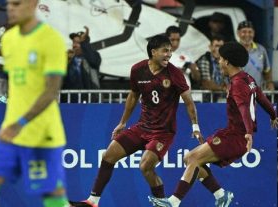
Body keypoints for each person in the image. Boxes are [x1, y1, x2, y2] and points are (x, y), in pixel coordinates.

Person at [69, 35, 203, 207]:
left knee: (145, 166)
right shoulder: (138, 70)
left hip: (163, 132)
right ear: (153, 52)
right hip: (142, 127)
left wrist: (195, 126)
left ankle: (162, 202)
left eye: (170, 51)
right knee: (108, 155)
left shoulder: (175, 74)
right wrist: (122, 123)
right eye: (165, 51)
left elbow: (189, 102)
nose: (169, 55)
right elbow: (133, 96)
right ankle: (93, 202)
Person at [148, 42, 278, 207]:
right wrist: (273, 115)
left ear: (227, 62)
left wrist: (248, 133)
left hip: (237, 137)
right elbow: (261, 97)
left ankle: (173, 202)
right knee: (189, 159)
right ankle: (221, 195)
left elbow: (243, 107)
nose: (219, 62)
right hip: (233, 134)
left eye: (221, 59)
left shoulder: (237, 84)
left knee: (194, 159)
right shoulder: (248, 78)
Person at [0, 1, 69, 207]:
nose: (10, 8)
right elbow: (14, 84)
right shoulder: (8, 39)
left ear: (33, 4)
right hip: (10, 132)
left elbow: (51, 91)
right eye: (9, 3)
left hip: (42, 134)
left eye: (17, 3)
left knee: (52, 196)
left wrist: (21, 123)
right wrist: (11, 121)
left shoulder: (51, 39)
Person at [237, 20, 274, 90]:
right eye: (244, 32)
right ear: (238, 33)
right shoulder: (233, 49)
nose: (247, 35)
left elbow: (267, 70)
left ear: (253, 33)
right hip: (238, 93)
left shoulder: (261, 50)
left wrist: (269, 82)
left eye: (250, 32)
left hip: (257, 94)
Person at [65, 26, 101, 90]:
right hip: (70, 98)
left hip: (90, 98)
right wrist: (67, 60)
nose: (74, 45)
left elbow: (93, 61)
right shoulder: (69, 58)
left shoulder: (94, 55)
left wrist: (84, 43)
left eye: (78, 43)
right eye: (73, 42)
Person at [196, 35, 227, 102]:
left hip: (223, 100)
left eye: (221, 46)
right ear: (210, 47)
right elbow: (206, 83)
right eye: (216, 46)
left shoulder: (226, 61)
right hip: (207, 100)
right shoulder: (204, 60)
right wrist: (222, 88)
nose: (218, 49)